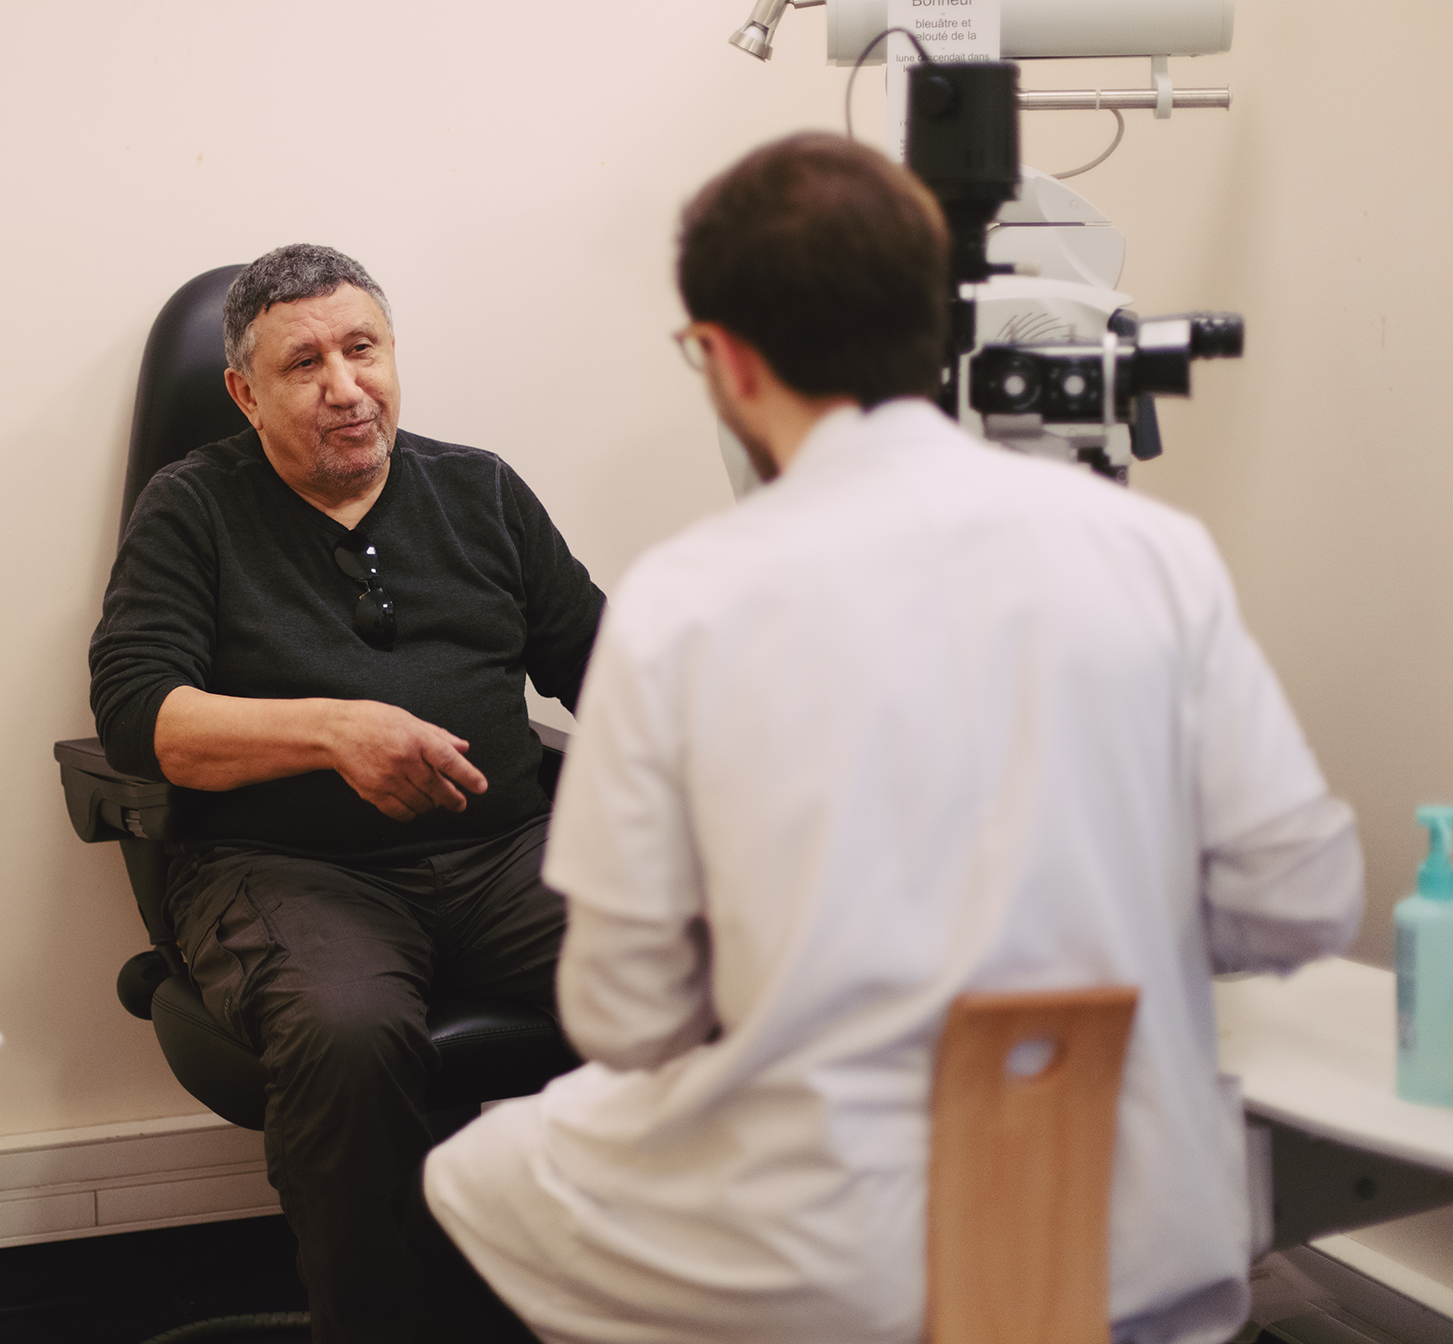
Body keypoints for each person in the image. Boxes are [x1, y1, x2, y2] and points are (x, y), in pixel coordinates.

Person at [423, 133, 1364, 1344]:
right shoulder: (1153, 552)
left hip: (843, 1262)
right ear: (937, 324)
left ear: (726, 358)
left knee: (477, 1176)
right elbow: (1306, 904)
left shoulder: (686, 602)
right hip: (1131, 1239)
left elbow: (624, 1019)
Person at [87, 243, 603, 1342]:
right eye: (304, 363)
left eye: (362, 350)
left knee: (715, 968)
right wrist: (333, 731)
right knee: (349, 1034)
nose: (345, 386)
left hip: (506, 857)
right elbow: (136, 713)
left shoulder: (480, 492)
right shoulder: (194, 509)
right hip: (288, 873)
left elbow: (607, 668)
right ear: (245, 394)